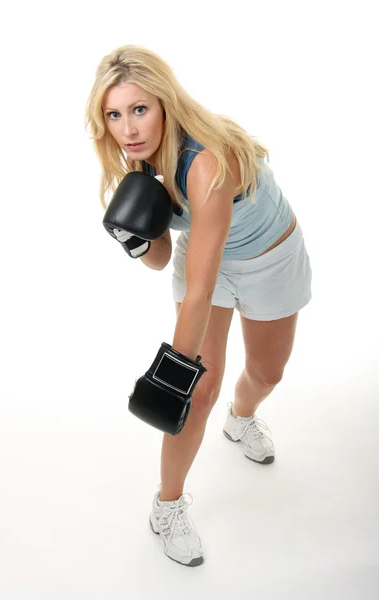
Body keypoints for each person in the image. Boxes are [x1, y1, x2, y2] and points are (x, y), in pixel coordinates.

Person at [84, 45, 312, 567]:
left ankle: (244, 416)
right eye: (114, 115)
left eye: (139, 109)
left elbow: (201, 291)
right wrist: (137, 240)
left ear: (164, 102)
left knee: (265, 372)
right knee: (200, 392)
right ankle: (167, 506)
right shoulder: (141, 158)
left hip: (269, 259)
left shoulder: (205, 162)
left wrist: (171, 377)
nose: (128, 128)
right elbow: (164, 259)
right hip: (206, 258)